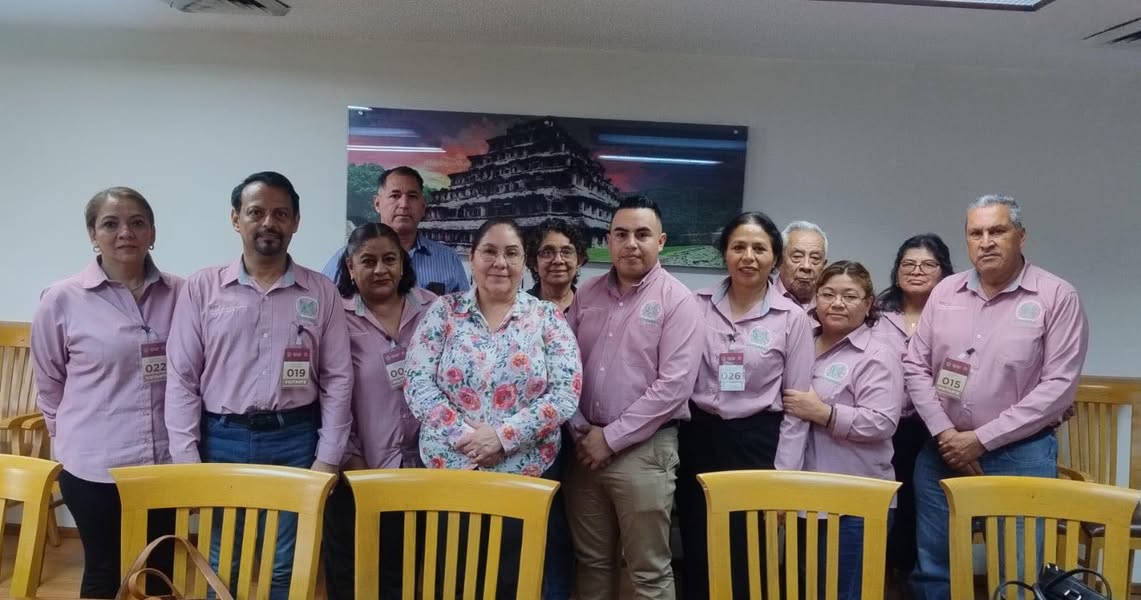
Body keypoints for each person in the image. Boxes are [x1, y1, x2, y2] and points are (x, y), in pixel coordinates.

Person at [165, 171, 353, 600]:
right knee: (220, 560)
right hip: (221, 440)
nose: (269, 222)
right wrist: (186, 460)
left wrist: (328, 458)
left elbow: (339, 379)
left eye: (281, 214)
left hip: (295, 439)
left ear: (295, 222)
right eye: (256, 212)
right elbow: (182, 378)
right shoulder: (202, 288)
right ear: (236, 219)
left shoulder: (321, 291)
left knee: (286, 561)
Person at [905, 195, 1089, 600]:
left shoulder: (1056, 296)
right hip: (941, 452)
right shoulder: (945, 291)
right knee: (934, 570)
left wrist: (980, 440)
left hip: (1020, 456)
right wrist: (946, 434)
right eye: (976, 233)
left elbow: (1058, 388)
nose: (986, 242)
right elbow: (914, 366)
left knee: (1016, 574)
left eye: (997, 231)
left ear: (1020, 236)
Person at [404, 216, 582, 599]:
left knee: (514, 582)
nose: (500, 263)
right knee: (452, 578)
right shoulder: (444, 312)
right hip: (452, 470)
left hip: (525, 473)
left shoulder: (546, 317)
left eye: (511, 253)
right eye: (489, 251)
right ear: (472, 257)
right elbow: (418, 383)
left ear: (524, 261)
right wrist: (468, 438)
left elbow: (565, 393)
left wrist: (502, 437)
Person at [30, 187, 179, 599]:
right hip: (95, 464)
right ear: (92, 234)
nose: (125, 232)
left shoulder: (182, 294)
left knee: (161, 567)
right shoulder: (61, 299)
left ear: (152, 232)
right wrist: (65, 438)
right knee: (104, 569)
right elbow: (49, 382)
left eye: (137, 223)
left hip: (165, 462)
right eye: (110, 224)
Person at [564, 196, 703, 600]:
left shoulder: (679, 300)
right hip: (584, 447)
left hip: (645, 450)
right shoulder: (587, 294)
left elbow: (673, 387)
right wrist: (580, 429)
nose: (631, 244)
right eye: (621, 234)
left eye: (642, 234)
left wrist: (610, 439)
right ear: (608, 240)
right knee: (591, 563)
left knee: (648, 570)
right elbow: (563, 367)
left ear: (660, 241)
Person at [676, 211, 814, 600]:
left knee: (749, 550)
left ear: (775, 258)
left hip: (757, 443)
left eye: (759, 248)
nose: (748, 257)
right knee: (697, 542)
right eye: (738, 247)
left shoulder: (792, 319)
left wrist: (784, 478)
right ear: (724, 253)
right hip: (698, 437)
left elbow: (797, 407)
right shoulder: (695, 305)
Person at [321, 222, 436, 600]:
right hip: (357, 471)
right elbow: (328, 393)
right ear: (350, 268)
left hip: (425, 474)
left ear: (403, 263)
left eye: (389, 259)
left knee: (408, 577)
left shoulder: (434, 309)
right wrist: (352, 461)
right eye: (368, 261)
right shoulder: (335, 315)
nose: (380, 269)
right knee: (354, 577)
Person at [782, 260, 904, 600]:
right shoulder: (801, 341)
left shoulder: (878, 354)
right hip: (806, 495)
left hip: (856, 502)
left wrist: (825, 414)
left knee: (846, 592)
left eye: (850, 296)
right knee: (807, 588)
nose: (837, 303)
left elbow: (883, 421)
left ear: (868, 304)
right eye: (828, 294)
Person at [874, 233, 955, 587]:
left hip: (936, 428)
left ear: (944, 271)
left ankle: (913, 583)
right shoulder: (876, 312)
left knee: (923, 511)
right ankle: (880, 581)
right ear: (896, 270)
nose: (916, 270)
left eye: (927, 264)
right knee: (885, 505)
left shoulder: (957, 314)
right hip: (883, 427)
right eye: (908, 264)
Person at [523, 217, 591, 599]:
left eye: (567, 251)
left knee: (570, 530)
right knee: (540, 526)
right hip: (532, 437)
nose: (557, 260)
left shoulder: (595, 306)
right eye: (547, 252)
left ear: (580, 258)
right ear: (533, 261)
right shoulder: (519, 308)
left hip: (585, 438)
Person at [321, 166, 468, 294]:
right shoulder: (347, 257)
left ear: (423, 206)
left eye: (412, 196)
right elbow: (324, 307)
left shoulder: (448, 259)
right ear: (377, 204)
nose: (404, 204)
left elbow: (464, 314)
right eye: (395, 196)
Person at [775, 220, 828, 309]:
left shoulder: (833, 308)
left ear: (824, 266)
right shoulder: (758, 299)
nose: (806, 266)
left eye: (815, 258)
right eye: (797, 256)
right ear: (779, 262)